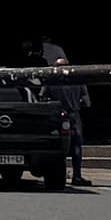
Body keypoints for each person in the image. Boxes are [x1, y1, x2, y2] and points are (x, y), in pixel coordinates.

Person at [37, 36, 92, 186]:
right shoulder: (77, 81)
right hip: (74, 115)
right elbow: (86, 102)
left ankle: (59, 171)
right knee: (76, 146)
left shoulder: (51, 81)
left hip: (56, 115)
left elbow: (42, 98)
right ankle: (77, 175)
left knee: (58, 145)